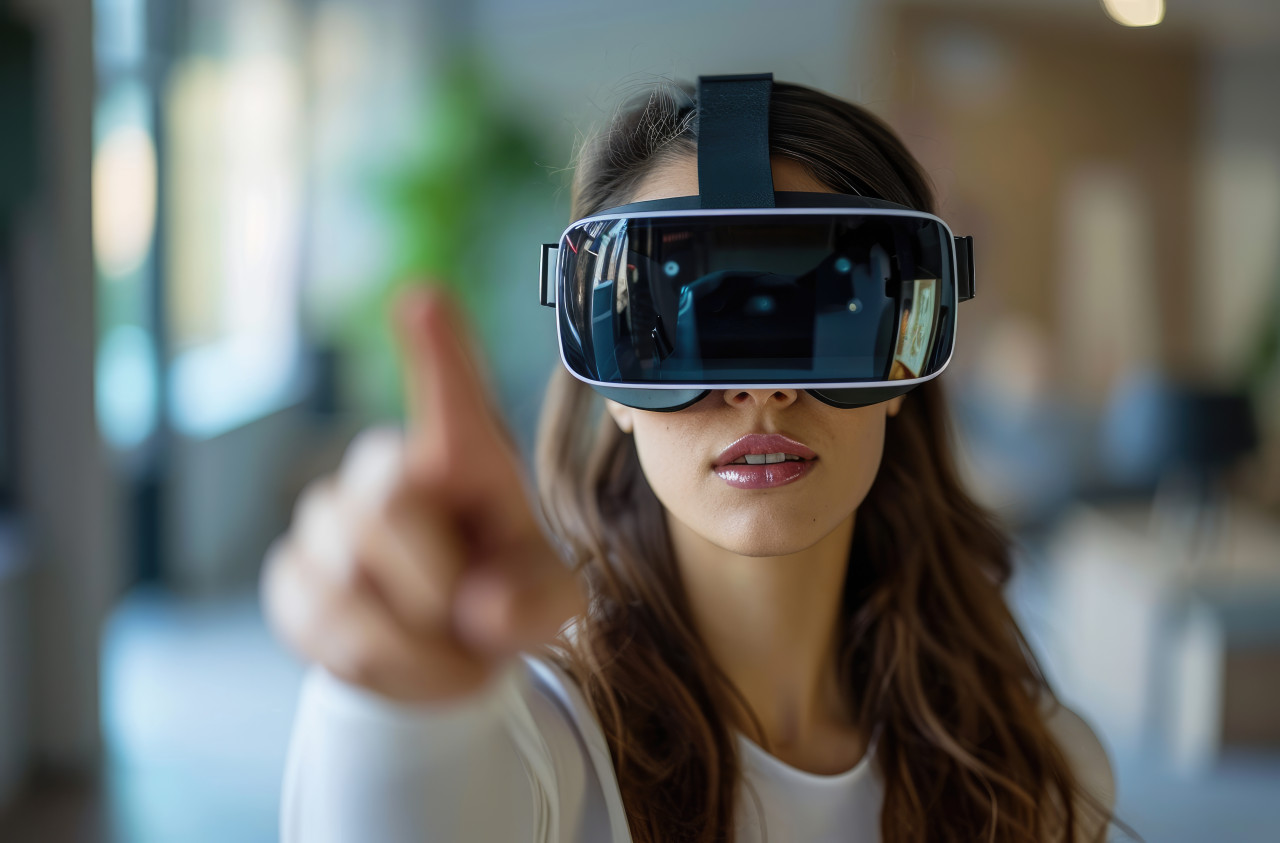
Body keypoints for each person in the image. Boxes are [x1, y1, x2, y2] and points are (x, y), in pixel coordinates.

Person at [262, 77, 1120, 843]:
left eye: (819, 314)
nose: (760, 388)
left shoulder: (1043, 774)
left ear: (899, 377)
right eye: (692, 323)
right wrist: (394, 704)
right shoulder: (538, 747)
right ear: (613, 392)